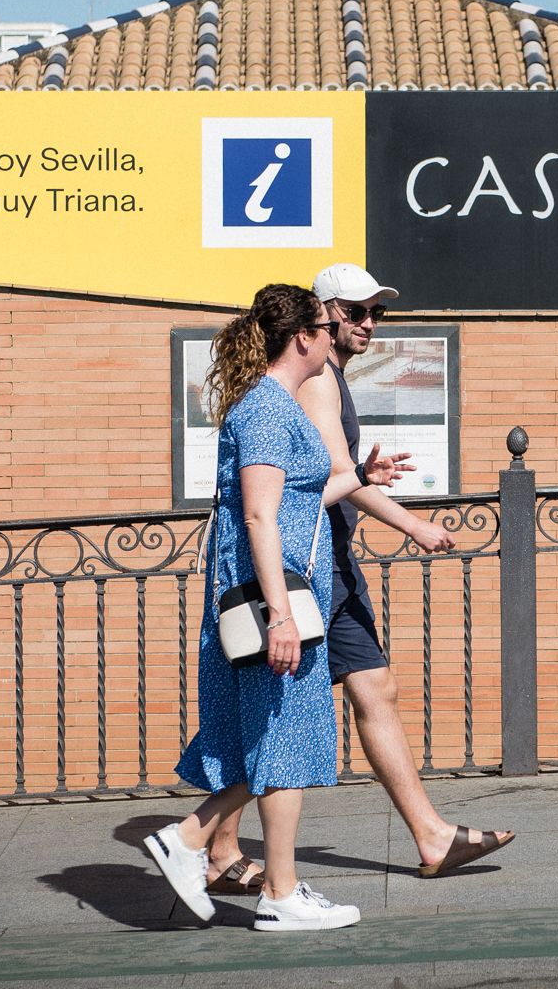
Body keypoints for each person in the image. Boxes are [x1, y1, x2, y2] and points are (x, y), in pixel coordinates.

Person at [204, 262, 516, 883]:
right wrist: (415, 525)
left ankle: (218, 847)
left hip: (323, 563)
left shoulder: (324, 378)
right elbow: (313, 487)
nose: (369, 323)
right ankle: (204, 844)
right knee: (286, 713)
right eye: (354, 312)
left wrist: (370, 485)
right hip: (306, 569)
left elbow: (330, 479)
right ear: (316, 321)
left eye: (378, 312)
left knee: (350, 694)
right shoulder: (313, 382)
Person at [147, 284, 368, 931]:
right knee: (281, 742)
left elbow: (298, 496)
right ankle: (199, 844)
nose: (335, 337)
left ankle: (274, 887)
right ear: (302, 336)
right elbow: (258, 513)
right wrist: (279, 614)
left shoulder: (274, 407)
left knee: (275, 745)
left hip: (282, 600)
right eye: (328, 326)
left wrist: (362, 476)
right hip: (274, 604)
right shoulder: (269, 410)